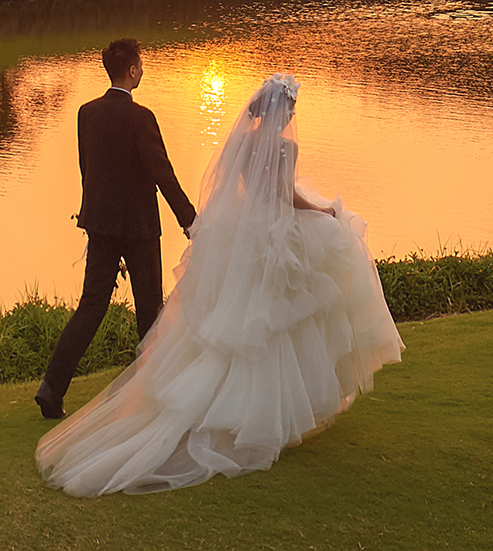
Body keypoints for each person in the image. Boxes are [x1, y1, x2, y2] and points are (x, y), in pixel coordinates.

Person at [36, 72, 402, 496]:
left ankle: (75, 385)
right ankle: (252, 413)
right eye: (293, 108)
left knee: (110, 306)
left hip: (130, 224)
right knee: (253, 321)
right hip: (160, 228)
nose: (294, 115)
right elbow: (270, 194)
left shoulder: (92, 114)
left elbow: (90, 169)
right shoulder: (277, 145)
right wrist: (322, 211)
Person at [34, 37, 197, 421]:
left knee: (91, 305)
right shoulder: (142, 117)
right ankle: (156, 393)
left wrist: (95, 219)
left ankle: (51, 388)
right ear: (134, 70)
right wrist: (189, 219)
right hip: (138, 227)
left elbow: (87, 169)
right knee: (149, 311)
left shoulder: (86, 113)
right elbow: (161, 172)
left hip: (101, 224)